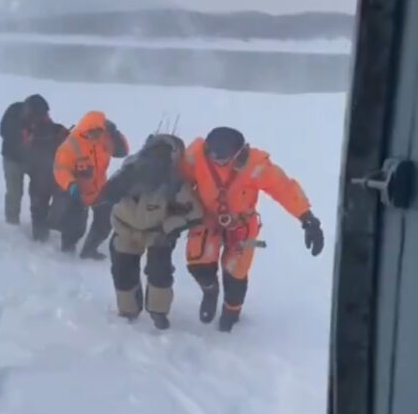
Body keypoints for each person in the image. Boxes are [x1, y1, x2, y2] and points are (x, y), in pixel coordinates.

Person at [181, 126, 324, 331]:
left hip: (241, 225)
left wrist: (307, 218)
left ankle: (231, 312)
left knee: (235, 273)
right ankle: (210, 290)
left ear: (238, 154)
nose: (218, 161)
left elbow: (283, 188)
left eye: (223, 158)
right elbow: (177, 180)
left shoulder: (256, 166)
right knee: (198, 262)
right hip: (207, 219)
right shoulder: (195, 155)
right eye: (212, 156)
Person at [100, 132, 203, 329]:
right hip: (125, 227)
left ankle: (158, 312)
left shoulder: (176, 182)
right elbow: (106, 194)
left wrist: (169, 226)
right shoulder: (129, 170)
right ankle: (128, 310)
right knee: (123, 271)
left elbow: (195, 212)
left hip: (157, 232)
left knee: (159, 272)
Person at [52, 111, 129, 259]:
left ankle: (89, 250)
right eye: (92, 133)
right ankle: (67, 252)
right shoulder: (70, 146)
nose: (95, 137)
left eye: (99, 133)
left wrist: (116, 134)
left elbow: (123, 151)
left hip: (99, 190)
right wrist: (70, 185)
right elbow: (60, 169)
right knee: (74, 227)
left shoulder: (105, 139)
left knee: (105, 223)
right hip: (77, 192)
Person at [0, 95, 69, 240]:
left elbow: (51, 130)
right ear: (28, 111)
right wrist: (24, 135)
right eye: (39, 115)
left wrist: (61, 134)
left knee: (39, 192)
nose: (42, 118)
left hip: (33, 160)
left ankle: (39, 229)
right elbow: (4, 131)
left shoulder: (42, 118)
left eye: (44, 115)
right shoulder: (13, 112)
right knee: (14, 192)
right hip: (13, 158)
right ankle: (11, 225)